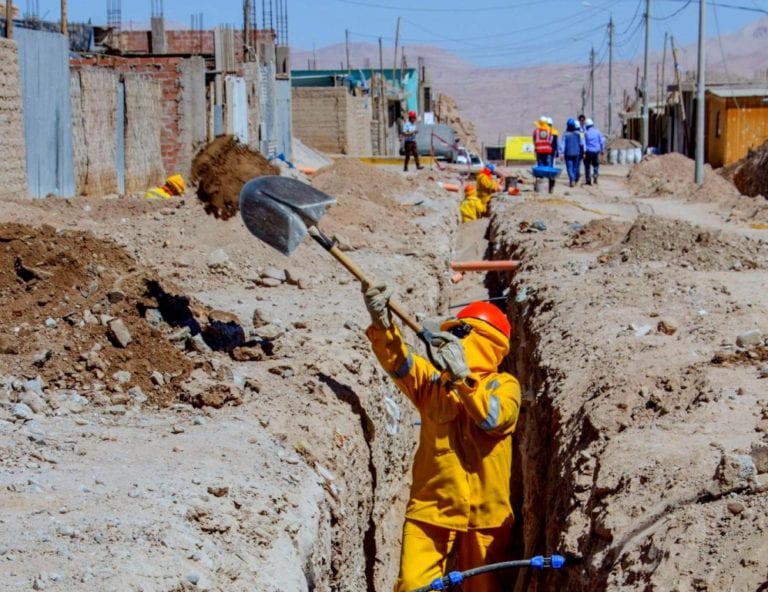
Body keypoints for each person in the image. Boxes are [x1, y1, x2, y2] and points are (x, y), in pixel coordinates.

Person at [362, 285, 522, 592]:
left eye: (460, 334)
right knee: (412, 586)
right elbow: (399, 362)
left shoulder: (505, 385)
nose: (453, 342)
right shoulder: (432, 384)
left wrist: (463, 379)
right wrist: (384, 326)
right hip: (430, 511)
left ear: (488, 343)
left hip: (485, 518)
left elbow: (494, 419)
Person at [562, 118, 584, 187]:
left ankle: (571, 179)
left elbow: (562, 144)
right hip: (576, 153)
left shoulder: (565, 134)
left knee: (569, 167)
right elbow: (581, 143)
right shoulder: (578, 134)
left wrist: (561, 153)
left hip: (568, 153)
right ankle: (573, 179)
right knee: (575, 167)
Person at [583, 118, 605, 185]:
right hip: (596, 151)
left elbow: (584, 143)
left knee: (587, 166)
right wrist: (602, 150)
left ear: (586, 126)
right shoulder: (597, 132)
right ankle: (595, 174)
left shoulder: (586, 133)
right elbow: (601, 142)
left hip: (588, 151)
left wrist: (584, 152)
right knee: (595, 164)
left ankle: (588, 179)